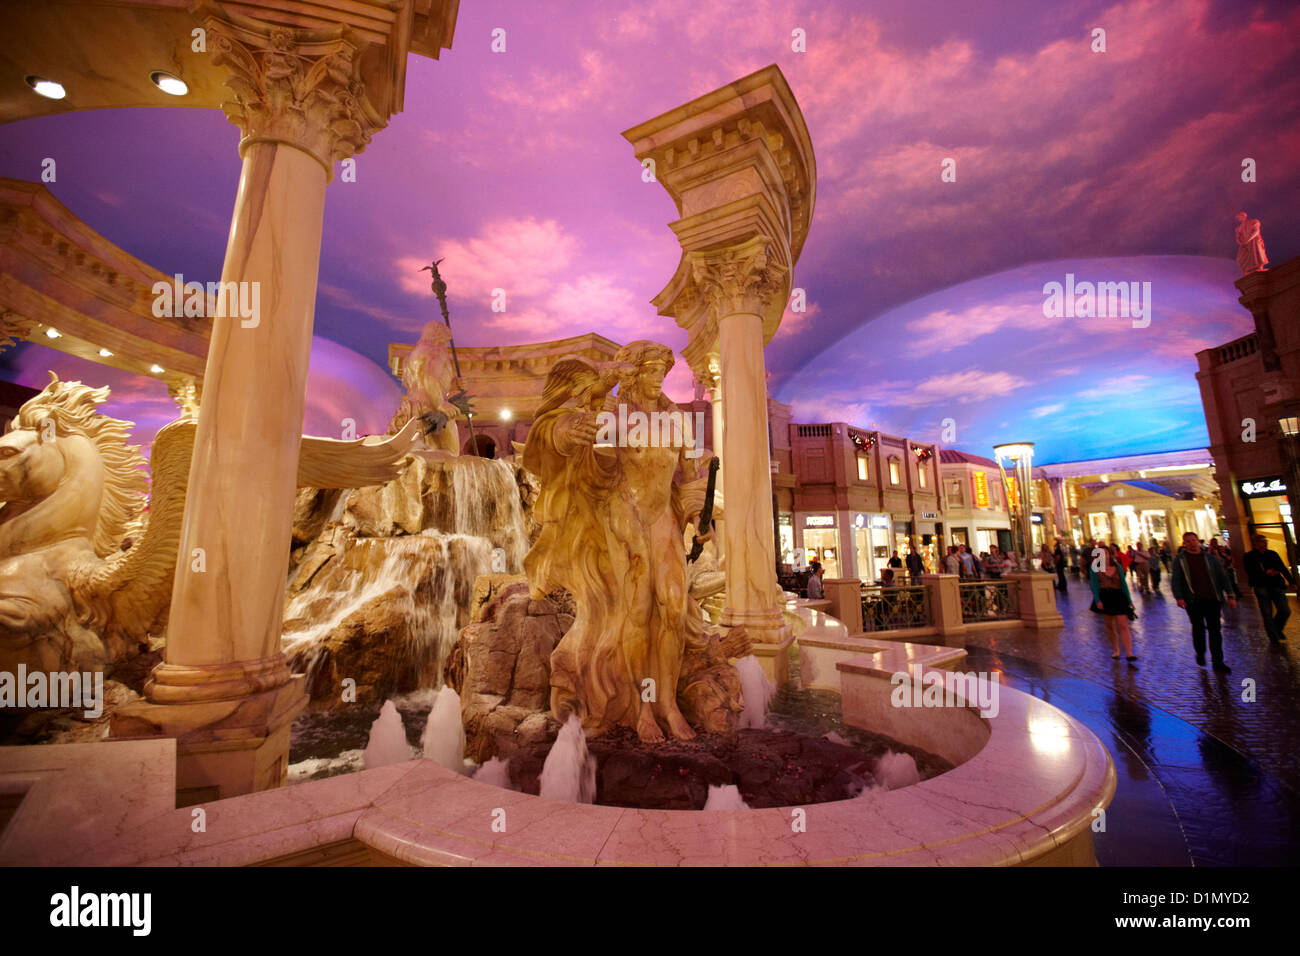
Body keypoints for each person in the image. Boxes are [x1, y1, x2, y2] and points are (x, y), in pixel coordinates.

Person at [1170, 532, 1237, 672]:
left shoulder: (1211, 558)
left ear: (1198, 541)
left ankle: (1218, 662)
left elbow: (1222, 576)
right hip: (1193, 600)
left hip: (1213, 598)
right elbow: (1176, 579)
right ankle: (1200, 652)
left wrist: (1230, 594)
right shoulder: (1180, 560)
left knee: (1215, 631)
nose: (1191, 543)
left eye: (1193, 540)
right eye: (1188, 541)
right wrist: (1179, 597)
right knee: (1198, 628)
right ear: (1184, 543)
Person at [1090, 541, 1136, 661]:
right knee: (1110, 626)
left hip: (1119, 596)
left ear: (1110, 554)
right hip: (1105, 597)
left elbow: (1123, 584)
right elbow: (1094, 585)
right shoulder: (1095, 568)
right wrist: (1097, 600)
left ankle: (1129, 652)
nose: (1103, 555)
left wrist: (1129, 600)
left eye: (1106, 553)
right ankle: (1116, 649)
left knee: (1123, 625)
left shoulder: (1117, 566)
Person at [1244, 534, 1294, 643]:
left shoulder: (1272, 554)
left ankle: (1276, 629)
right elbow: (1250, 572)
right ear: (1255, 543)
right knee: (1267, 613)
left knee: (1285, 610)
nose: (1265, 543)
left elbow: (1282, 567)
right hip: (1261, 586)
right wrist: (1266, 573)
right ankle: (1273, 637)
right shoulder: (1249, 556)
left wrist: (1291, 581)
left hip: (1276, 585)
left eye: (1265, 540)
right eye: (1262, 541)